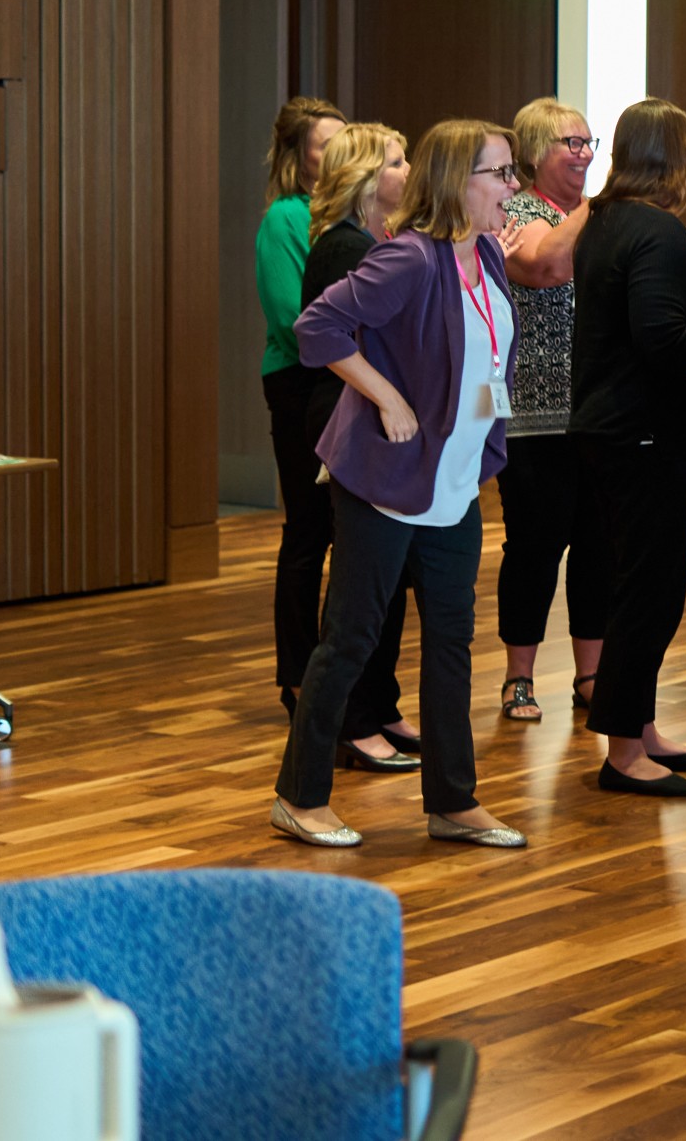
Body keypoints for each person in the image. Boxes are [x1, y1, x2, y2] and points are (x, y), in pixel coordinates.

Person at [272, 118, 525, 850]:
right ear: (456, 181)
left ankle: (453, 800)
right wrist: (384, 396)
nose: (513, 187)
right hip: (384, 480)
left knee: (450, 643)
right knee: (350, 638)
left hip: (454, 483)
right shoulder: (409, 258)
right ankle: (299, 796)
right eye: (500, 174)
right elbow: (317, 328)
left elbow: (485, 360)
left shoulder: (489, 255)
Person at [572, 99, 686, 797]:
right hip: (645, 436)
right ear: (671, 155)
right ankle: (623, 751)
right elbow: (662, 337)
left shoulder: (606, 220)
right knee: (648, 592)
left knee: (642, 587)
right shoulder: (655, 229)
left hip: (617, 431)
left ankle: (638, 728)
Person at [298, 123, 417, 770]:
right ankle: (354, 721)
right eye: (397, 161)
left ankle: (381, 703)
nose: (409, 170)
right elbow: (334, 337)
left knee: (388, 580)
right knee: (361, 583)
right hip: (355, 410)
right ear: (366, 177)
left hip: (378, 412)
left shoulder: (381, 241)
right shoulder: (344, 247)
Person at [493, 99, 606, 723]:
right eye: (572, 143)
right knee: (535, 548)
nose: (585, 154)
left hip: (597, 411)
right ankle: (519, 677)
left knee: (597, 546)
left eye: (590, 143)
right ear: (536, 152)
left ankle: (590, 676)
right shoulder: (517, 212)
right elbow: (545, 266)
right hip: (536, 416)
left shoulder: (595, 216)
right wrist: (603, 203)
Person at [257, 95, 346, 715]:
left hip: (345, 380)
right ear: (299, 156)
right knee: (309, 532)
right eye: (325, 146)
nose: (339, 156)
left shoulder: (354, 215)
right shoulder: (285, 218)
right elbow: (295, 319)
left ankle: (336, 673)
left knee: (349, 532)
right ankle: (296, 674)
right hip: (300, 383)